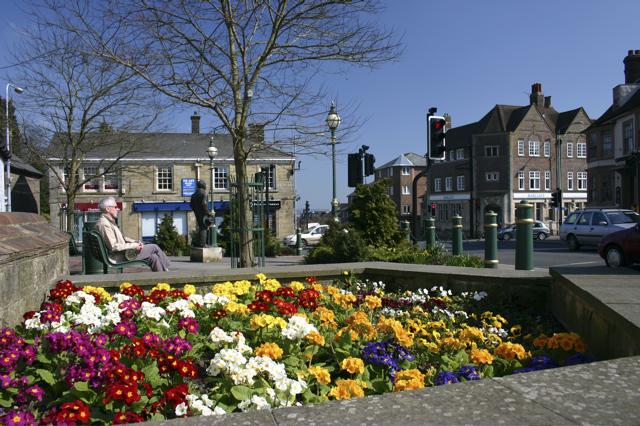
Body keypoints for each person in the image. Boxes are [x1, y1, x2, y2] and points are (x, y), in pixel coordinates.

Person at [95, 196, 170, 272]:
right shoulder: (104, 224)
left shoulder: (109, 221)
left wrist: (134, 242)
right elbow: (114, 246)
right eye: (115, 207)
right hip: (120, 257)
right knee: (154, 247)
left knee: (153, 257)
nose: (117, 209)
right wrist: (134, 246)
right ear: (107, 209)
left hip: (122, 254)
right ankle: (166, 271)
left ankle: (162, 279)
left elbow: (121, 238)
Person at [189, 180, 212, 248]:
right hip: (203, 213)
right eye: (205, 184)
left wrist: (196, 211)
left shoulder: (194, 194)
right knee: (204, 228)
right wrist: (208, 212)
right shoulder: (203, 193)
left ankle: (199, 243)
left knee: (200, 227)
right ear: (202, 185)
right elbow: (204, 203)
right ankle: (203, 244)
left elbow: (191, 205)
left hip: (197, 213)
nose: (205, 185)